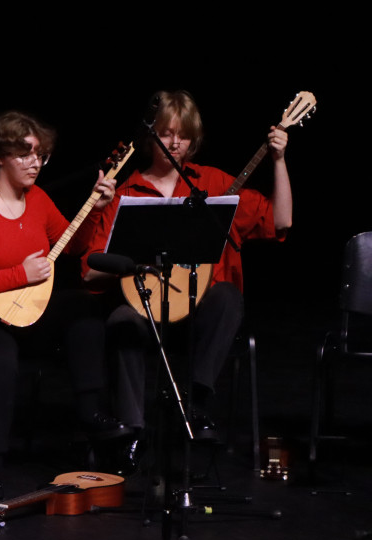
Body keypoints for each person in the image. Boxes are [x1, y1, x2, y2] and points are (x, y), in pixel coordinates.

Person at [80, 89, 292, 452]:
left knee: (226, 296)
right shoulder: (124, 193)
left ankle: (194, 406)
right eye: (166, 133)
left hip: (197, 319)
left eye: (183, 135)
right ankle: (131, 433)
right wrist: (106, 219)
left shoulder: (212, 184)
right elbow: (89, 274)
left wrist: (279, 161)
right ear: (151, 136)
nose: (174, 143)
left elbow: (280, 219)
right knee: (120, 320)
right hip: (146, 312)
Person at [0, 111, 122, 505]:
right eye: (24, 154)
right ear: (0, 157)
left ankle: (91, 414)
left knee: (83, 309)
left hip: (26, 308)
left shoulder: (38, 200)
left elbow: (72, 247)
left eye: (40, 155)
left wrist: (95, 209)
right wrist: (18, 275)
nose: (34, 163)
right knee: (1, 357)